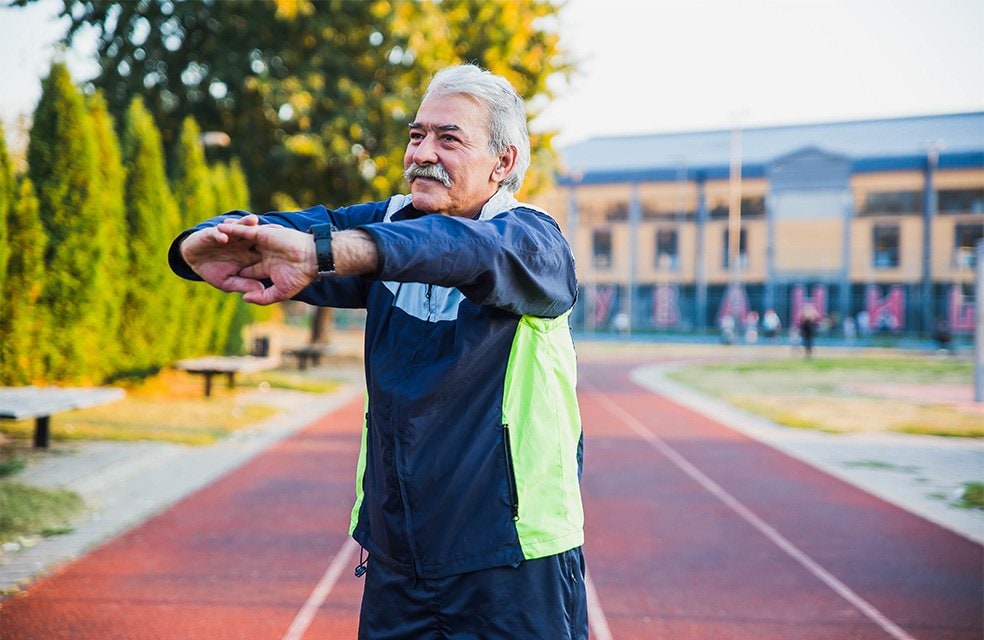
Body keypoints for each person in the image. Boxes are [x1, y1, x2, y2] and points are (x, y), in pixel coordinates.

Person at [169, 64, 587, 639]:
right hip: (399, 557)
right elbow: (278, 231)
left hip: (510, 562)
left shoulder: (532, 243)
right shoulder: (389, 224)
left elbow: (461, 253)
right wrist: (197, 243)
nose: (423, 153)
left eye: (449, 138)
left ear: (504, 162)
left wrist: (329, 251)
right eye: (417, 135)